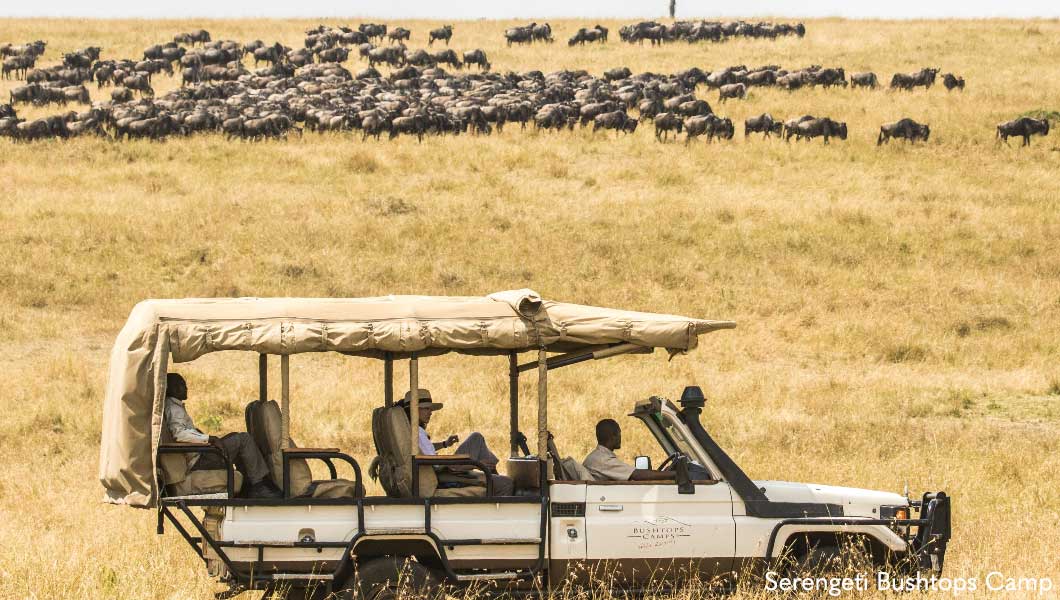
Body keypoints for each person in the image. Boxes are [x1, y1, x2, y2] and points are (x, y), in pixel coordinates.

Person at [164, 373, 281, 498]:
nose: (185, 387)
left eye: (184, 384)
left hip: (200, 454)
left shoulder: (174, 407)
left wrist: (209, 438)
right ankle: (258, 485)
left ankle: (250, 484)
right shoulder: (173, 408)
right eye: (180, 384)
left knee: (236, 437)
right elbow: (179, 434)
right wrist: (209, 439)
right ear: (170, 388)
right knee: (244, 439)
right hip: (199, 460)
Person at [400, 389, 514, 496]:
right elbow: (436, 464)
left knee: (476, 438)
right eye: (426, 409)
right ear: (413, 410)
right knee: (506, 483)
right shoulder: (417, 432)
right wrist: (477, 463)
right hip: (445, 471)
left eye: (430, 409)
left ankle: (491, 472)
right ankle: (492, 474)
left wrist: (444, 444)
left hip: (443, 469)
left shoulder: (411, 430)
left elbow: (423, 451)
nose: (430, 412)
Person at [583, 418, 676, 481]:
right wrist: (674, 474)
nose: (620, 438)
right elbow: (637, 475)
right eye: (619, 434)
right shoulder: (602, 460)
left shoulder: (596, 457)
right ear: (612, 437)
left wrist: (664, 473)